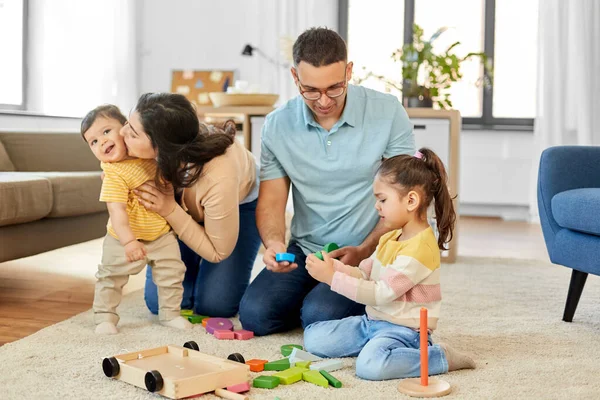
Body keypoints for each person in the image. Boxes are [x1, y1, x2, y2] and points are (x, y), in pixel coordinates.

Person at [238, 27, 416, 336]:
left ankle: (330, 302)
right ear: (295, 77)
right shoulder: (277, 125)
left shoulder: (388, 112)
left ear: (349, 71)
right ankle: (319, 299)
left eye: (334, 88)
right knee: (254, 315)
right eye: (311, 90)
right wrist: (274, 244)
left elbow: (403, 200)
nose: (323, 101)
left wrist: (364, 249)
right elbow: (271, 202)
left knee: (320, 316)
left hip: (368, 255)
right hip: (306, 250)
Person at [303, 148, 475, 380]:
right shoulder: (390, 237)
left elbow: (381, 294)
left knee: (370, 367)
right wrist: (334, 268)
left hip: (405, 331)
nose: (377, 206)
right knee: (312, 336)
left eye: (382, 199)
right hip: (372, 323)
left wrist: (330, 278)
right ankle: (379, 349)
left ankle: (438, 356)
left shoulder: (420, 249)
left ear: (411, 200)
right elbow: (364, 274)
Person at [121, 93, 261, 318]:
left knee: (215, 306)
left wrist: (169, 209)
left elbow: (218, 252)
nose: (122, 132)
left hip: (240, 204)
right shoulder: (141, 153)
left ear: (162, 149)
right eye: (128, 123)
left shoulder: (218, 176)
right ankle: (196, 261)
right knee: (163, 302)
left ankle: (205, 266)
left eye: (133, 133)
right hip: (186, 208)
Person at [81, 104, 191, 334]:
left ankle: (170, 314)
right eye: (93, 141)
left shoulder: (148, 154)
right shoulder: (114, 173)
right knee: (110, 276)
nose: (101, 141)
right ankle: (105, 317)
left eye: (106, 132)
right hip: (122, 238)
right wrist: (129, 242)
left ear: (125, 130)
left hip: (160, 234)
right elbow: (117, 211)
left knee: (172, 273)